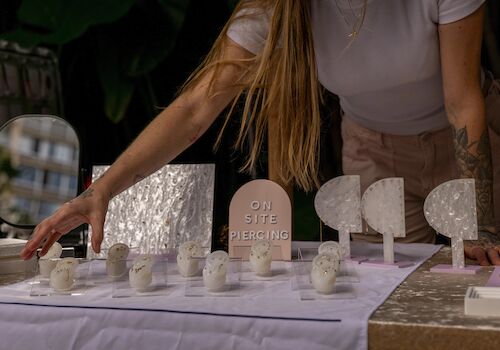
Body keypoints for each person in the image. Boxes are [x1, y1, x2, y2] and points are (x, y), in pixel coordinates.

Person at [20, 0, 500, 265]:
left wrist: (478, 219)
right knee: (387, 295)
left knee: (483, 285)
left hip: (467, 142)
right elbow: (193, 110)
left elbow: (462, 102)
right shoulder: (275, 7)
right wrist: (101, 190)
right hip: (371, 151)